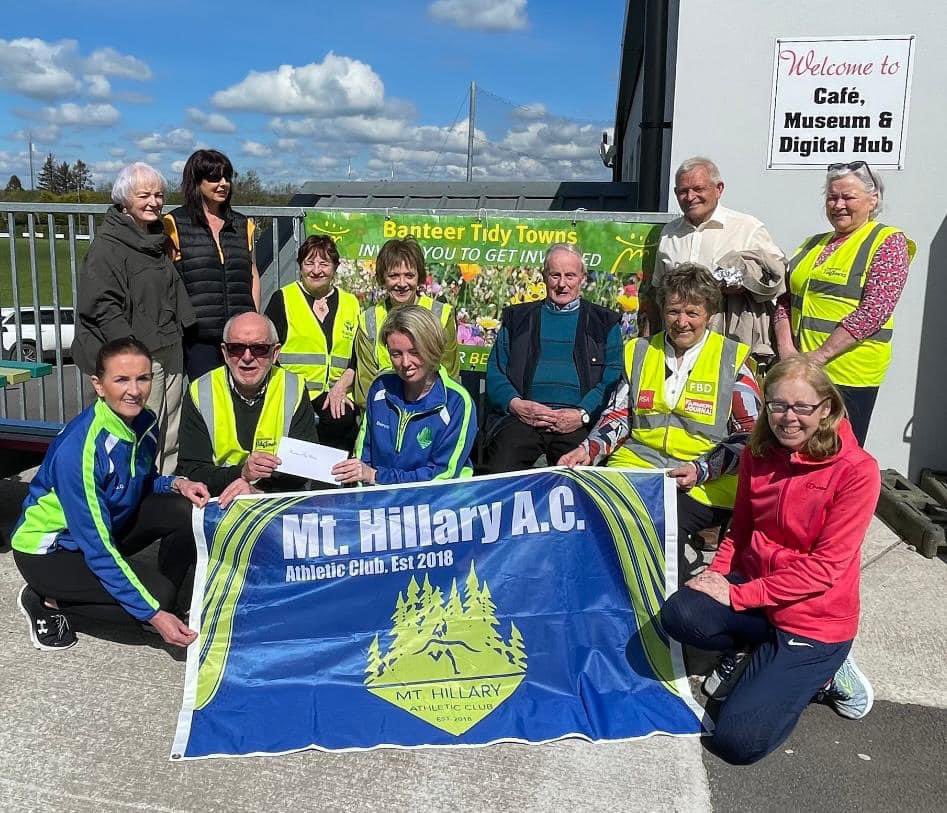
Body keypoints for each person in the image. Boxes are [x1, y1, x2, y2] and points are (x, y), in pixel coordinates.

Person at [659, 357, 880, 765]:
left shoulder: (857, 471)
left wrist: (738, 595)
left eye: (802, 407)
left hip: (812, 618)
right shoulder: (758, 454)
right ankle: (758, 649)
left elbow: (824, 570)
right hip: (758, 595)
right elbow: (740, 530)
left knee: (736, 743)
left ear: (826, 408)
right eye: (777, 406)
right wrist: (715, 577)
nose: (788, 418)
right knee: (680, 613)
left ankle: (828, 673)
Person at [12, 338, 209, 651]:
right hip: (50, 550)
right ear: (99, 385)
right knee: (157, 599)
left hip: (101, 528)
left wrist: (176, 484)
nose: (134, 390)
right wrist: (153, 612)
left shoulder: (144, 421)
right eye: (121, 379)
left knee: (185, 509)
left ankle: (164, 596)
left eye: (142, 378)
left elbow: (139, 480)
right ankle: (44, 597)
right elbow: (98, 546)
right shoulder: (82, 450)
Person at [560, 263, 761, 552]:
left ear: (710, 315)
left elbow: (752, 437)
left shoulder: (733, 359)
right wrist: (588, 450)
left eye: (692, 313)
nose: (682, 322)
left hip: (703, 481)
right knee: (588, 514)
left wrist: (701, 469)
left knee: (661, 526)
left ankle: (667, 597)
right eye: (673, 311)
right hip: (638, 467)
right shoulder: (638, 351)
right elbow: (618, 415)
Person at [774, 161, 915, 446]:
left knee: (837, 454)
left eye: (848, 197)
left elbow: (874, 310)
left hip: (849, 375)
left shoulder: (887, 242)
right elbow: (785, 301)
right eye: (831, 197)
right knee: (796, 451)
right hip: (802, 370)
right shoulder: (812, 244)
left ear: (872, 199)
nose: (838, 205)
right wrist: (787, 350)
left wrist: (819, 356)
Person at [73, 162, 195, 476]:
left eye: (159, 194)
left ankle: (163, 489)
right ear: (125, 199)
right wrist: (130, 358)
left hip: (168, 345)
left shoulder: (156, 238)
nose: (154, 202)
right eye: (144, 195)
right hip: (139, 355)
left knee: (170, 430)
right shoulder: (108, 247)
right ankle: (134, 493)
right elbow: (103, 307)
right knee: (141, 429)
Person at [483, 243, 623, 474]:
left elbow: (612, 378)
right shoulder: (517, 319)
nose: (562, 284)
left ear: (582, 278)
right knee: (500, 471)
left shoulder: (604, 323)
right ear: (544, 276)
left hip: (578, 423)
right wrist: (516, 405)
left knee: (576, 477)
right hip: (524, 419)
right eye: (555, 275)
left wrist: (582, 414)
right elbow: (496, 372)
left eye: (570, 276)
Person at [645, 157, 786, 359]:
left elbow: (778, 275)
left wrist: (746, 282)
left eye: (698, 189)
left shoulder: (747, 227)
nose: (690, 196)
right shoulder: (669, 233)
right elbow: (658, 290)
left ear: (718, 189)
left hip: (730, 340)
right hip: (680, 342)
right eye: (683, 191)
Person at [176, 312, 319, 506]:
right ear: (225, 352)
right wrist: (241, 473)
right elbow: (192, 469)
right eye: (237, 348)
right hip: (217, 502)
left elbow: (304, 466)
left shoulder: (293, 387)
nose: (247, 357)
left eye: (259, 348)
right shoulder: (200, 390)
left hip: (276, 501)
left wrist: (257, 491)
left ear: (275, 352)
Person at [332, 306, 476, 485]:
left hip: (433, 503)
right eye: (396, 354)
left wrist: (377, 477)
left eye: (415, 352)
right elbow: (364, 454)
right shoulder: (380, 388)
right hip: (380, 499)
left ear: (433, 348)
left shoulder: (457, 401)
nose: (405, 363)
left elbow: (443, 474)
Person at [164, 149, 261, 380]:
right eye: (215, 178)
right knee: (207, 403)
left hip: (239, 338)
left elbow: (252, 274)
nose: (223, 184)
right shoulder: (173, 223)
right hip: (198, 339)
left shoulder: (242, 224)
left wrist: (254, 319)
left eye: (227, 177)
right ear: (196, 182)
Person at [265, 235, 360, 451]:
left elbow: (357, 355)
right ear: (300, 267)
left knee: (342, 418)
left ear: (335, 267)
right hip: (295, 391)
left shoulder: (350, 303)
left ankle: (338, 479)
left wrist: (341, 387)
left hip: (339, 390)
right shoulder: (283, 299)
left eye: (324, 264)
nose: (316, 270)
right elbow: (267, 351)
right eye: (309, 263)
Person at [353, 237, 459, 405]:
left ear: (419, 277)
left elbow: (450, 378)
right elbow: (366, 387)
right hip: (384, 410)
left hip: (431, 410)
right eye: (394, 276)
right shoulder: (368, 320)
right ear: (382, 278)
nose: (402, 284)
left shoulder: (441, 315)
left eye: (409, 275)